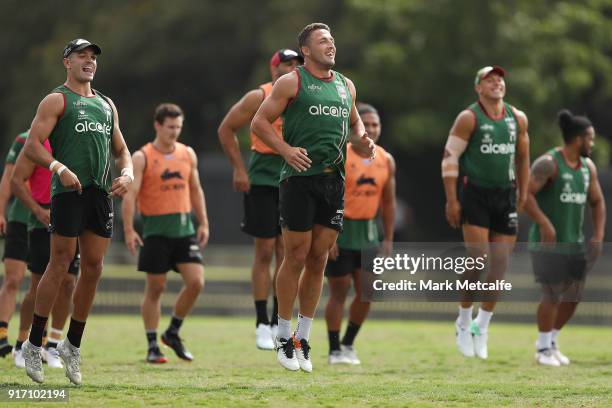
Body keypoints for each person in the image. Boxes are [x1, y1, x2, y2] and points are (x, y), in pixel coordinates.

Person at [251, 22, 375, 373]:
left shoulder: (345, 85)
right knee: (295, 257)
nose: (330, 45)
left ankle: (303, 339)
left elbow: (356, 126)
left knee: (319, 259)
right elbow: (259, 123)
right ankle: (282, 334)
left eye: (332, 40)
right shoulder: (291, 81)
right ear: (306, 50)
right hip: (298, 181)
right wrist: (286, 150)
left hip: (333, 181)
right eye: (323, 41)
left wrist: (363, 140)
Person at [21, 38, 133, 385]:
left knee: (94, 268)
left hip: (100, 195)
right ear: (66, 62)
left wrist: (128, 173)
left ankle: (73, 345)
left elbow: (122, 149)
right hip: (69, 192)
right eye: (81, 56)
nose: (89, 61)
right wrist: (58, 167)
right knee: (59, 264)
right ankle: (33, 344)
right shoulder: (57, 99)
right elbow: (32, 145)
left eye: (93, 57)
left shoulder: (106, 103)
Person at [441, 65, 530, 359]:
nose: (496, 83)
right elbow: (450, 155)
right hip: (474, 193)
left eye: (499, 79)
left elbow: (523, 156)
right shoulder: (469, 117)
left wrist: (523, 191)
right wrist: (452, 200)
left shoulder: (517, 118)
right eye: (489, 80)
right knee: (478, 260)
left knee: (500, 267)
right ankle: (464, 320)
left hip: (505, 194)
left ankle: (483, 325)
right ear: (478, 87)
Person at [218, 49, 302, 350]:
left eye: (296, 65)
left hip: (293, 178)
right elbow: (226, 128)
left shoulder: (303, 95)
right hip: (264, 177)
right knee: (264, 250)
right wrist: (239, 169)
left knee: (288, 253)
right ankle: (260, 322)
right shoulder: (260, 95)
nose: (292, 69)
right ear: (273, 69)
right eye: (287, 64)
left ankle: (282, 323)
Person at [123, 103, 209, 364]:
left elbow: (196, 189)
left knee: (196, 282)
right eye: (170, 127)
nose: (175, 132)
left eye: (178, 127)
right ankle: (152, 345)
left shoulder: (187, 154)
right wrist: (128, 229)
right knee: (156, 288)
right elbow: (131, 195)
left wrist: (203, 222)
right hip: (156, 231)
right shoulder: (143, 157)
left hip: (184, 229)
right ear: (158, 125)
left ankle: (172, 332)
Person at [524, 109, 605, 366]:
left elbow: (597, 201)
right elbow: (526, 195)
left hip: (575, 242)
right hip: (547, 243)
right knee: (552, 293)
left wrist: (599, 235)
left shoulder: (587, 168)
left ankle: (552, 341)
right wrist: (544, 222)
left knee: (574, 295)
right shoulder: (548, 163)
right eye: (590, 139)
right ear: (578, 139)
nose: (592, 144)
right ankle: (542, 348)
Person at [324, 103, 396, 365]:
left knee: (368, 292)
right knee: (339, 291)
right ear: (356, 128)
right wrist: (328, 234)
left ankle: (348, 344)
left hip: (368, 234)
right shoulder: (340, 155)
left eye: (376, 124)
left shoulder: (386, 159)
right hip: (341, 232)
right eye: (367, 124)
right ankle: (333, 349)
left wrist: (387, 238)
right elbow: (327, 196)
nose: (372, 130)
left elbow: (389, 203)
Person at [11, 142, 80, 369]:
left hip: (72, 215)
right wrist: (37, 210)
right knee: (39, 283)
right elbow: (16, 181)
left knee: (69, 283)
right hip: (44, 217)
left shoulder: (78, 140)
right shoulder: (36, 145)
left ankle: (52, 345)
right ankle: (22, 343)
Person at [0, 131, 31, 357]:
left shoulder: (65, 139)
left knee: (43, 283)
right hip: (20, 220)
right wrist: (0, 212)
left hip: (48, 223)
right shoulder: (23, 139)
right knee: (13, 279)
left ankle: (38, 340)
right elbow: (9, 178)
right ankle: (2, 335)